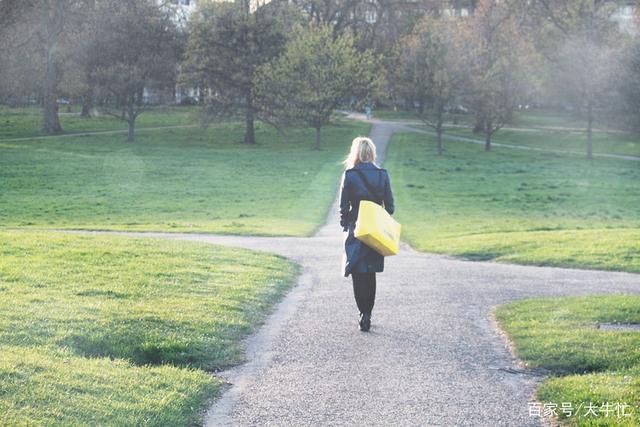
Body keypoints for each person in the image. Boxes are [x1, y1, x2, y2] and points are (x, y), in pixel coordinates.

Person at [339, 136, 395, 332]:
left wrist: (345, 225)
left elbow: (343, 207)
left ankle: (362, 312)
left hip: (356, 228)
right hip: (375, 230)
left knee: (357, 272)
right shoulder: (382, 174)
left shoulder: (350, 174)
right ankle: (368, 313)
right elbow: (391, 207)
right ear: (371, 153)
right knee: (370, 273)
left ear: (355, 153)